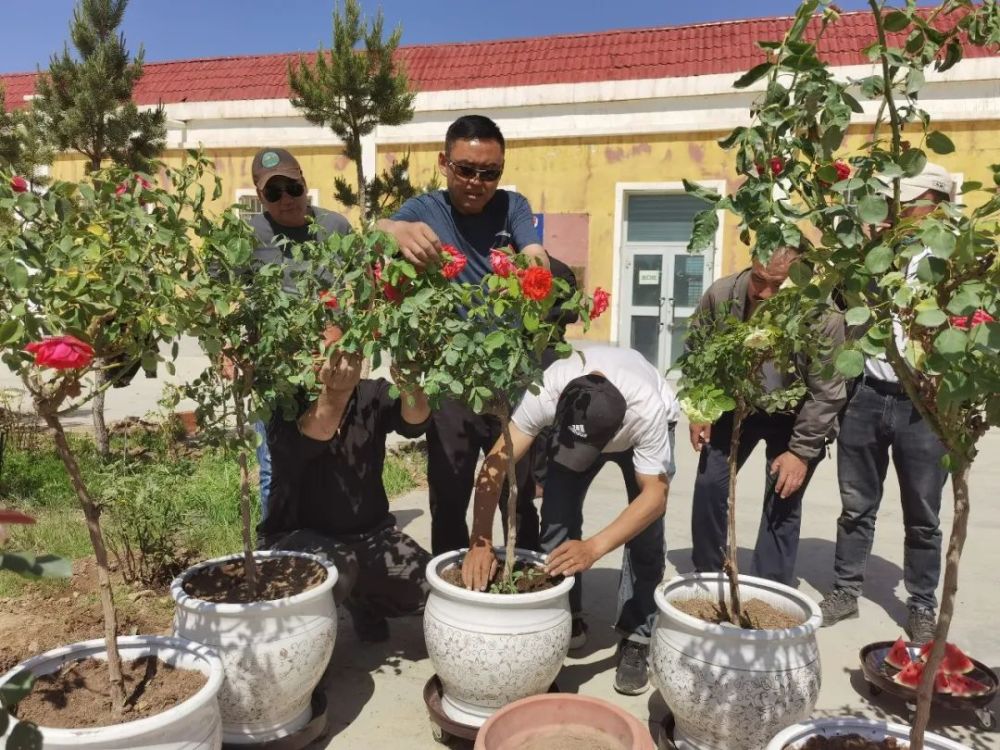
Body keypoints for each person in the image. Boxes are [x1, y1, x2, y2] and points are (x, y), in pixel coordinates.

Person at [461, 345, 679, 696]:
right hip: (575, 426)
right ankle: (565, 615)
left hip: (641, 427)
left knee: (646, 536)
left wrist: (594, 548)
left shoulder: (647, 409)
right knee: (557, 518)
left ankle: (638, 633)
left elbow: (654, 497)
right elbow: (496, 462)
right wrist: (481, 540)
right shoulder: (547, 390)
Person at [377, 114, 550, 556]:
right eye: (465, 169)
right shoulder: (423, 210)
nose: (477, 181)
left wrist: (535, 264)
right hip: (449, 384)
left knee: (516, 491)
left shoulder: (513, 207)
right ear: (444, 163)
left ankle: (519, 573)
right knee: (450, 496)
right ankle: (451, 586)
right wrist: (393, 229)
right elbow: (370, 233)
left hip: (509, 381)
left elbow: (533, 249)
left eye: (489, 172)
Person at [819, 164, 954, 645]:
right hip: (868, 397)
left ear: (934, 203)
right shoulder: (875, 254)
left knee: (924, 513)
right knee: (856, 506)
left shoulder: (954, 260)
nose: (897, 209)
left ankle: (920, 602)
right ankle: (845, 589)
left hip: (925, 404)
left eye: (909, 201)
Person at [259, 330, 432, 643]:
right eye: (324, 351)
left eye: (343, 350)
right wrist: (336, 393)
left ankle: (364, 603)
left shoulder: (372, 393)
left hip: (370, 536)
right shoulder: (285, 402)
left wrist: (411, 383)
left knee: (427, 586)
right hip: (296, 539)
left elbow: (415, 422)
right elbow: (313, 435)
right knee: (337, 568)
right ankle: (305, 653)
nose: (334, 360)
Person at [689, 246, 847, 586]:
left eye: (777, 284)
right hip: (737, 405)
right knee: (708, 484)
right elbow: (697, 348)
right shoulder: (722, 293)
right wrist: (700, 406)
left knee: (783, 494)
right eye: (758, 279)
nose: (763, 292)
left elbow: (827, 392)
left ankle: (769, 586)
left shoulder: (824, 316)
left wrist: (802, 451)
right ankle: (706, 574)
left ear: (801, 277)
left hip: (795, 414)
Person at [247, 147, 352, 521]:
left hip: (330, 370)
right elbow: (221, 297)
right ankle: (275, 547)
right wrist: (228, 351)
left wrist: (339, 331)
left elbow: (361, 291)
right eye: (273, 193)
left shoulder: (336, 227)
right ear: (260, 197)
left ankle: (326, 545)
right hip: (272, 374)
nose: (286, 199)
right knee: (274, 465)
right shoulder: (246, 235)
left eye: (292, 188)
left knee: (334, 457)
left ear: (305, 184)